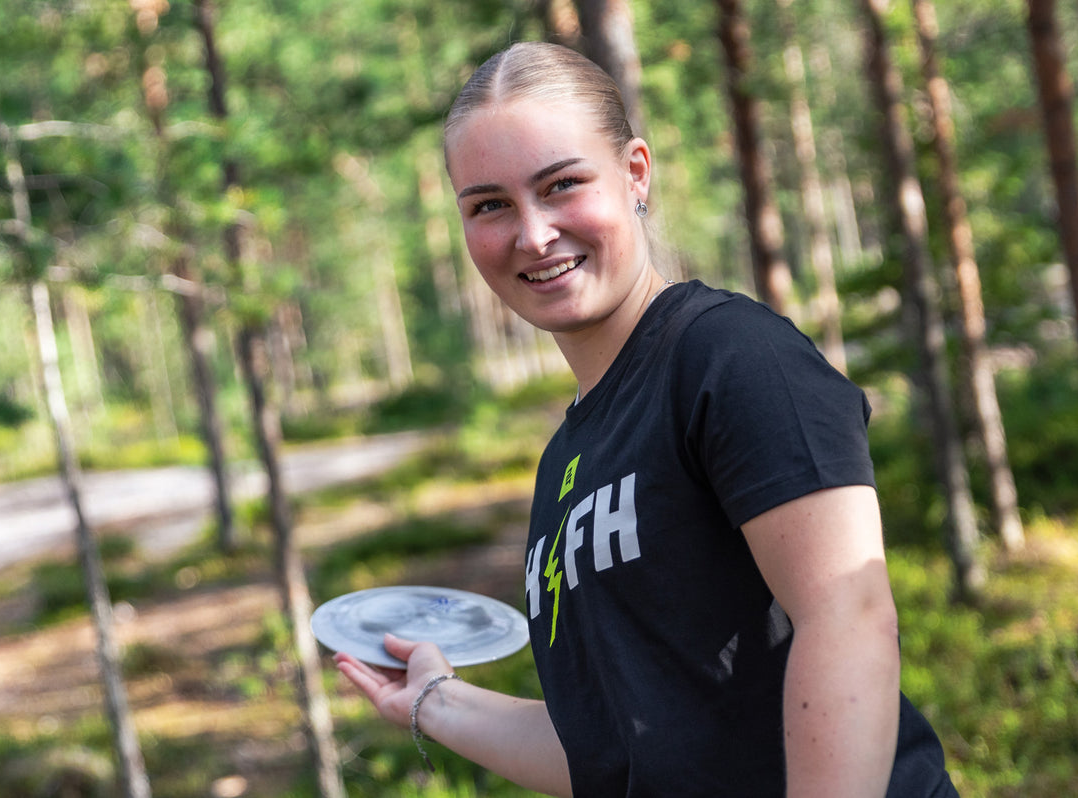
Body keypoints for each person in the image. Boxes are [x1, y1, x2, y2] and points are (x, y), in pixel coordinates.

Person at [334, 41, 959, 797]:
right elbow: (616, 749)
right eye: (490, 205)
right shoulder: (567, 457)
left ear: (635, 173)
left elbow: (848, 617)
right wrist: (434, 700)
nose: (533, 234)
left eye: (562, 185)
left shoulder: (732, 358)